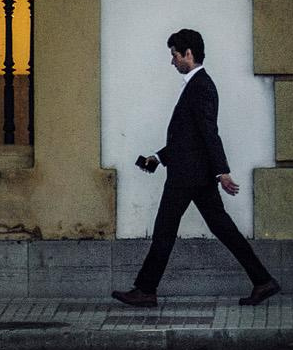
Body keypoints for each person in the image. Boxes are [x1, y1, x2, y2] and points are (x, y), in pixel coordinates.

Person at [112, 29, 279, 308]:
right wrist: (158, 157)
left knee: (165, 230)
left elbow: (208, 133)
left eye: (174, 55)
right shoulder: (197, 84)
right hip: (195, 174)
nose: (172, 61)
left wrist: (222, 171)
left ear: (188, 54)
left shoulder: (200, 86)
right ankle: (263, 280)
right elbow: (189, 136)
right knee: (223, 228)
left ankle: (145, 290)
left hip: (187, 177)